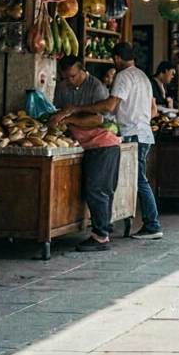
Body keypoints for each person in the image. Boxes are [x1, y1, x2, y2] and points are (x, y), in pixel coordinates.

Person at [51, 42, 162, 240]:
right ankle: (135, 224)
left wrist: (75, 109)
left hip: (132, 133)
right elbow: (153, 110)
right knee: (135, 180)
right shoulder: (143, 76)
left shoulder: (123, 76)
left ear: (116, 58)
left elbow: (109, 106)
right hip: (143, 132)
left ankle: (152, 225)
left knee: (138, 181)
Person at [55, 56, 121, 252]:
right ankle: (103, 228)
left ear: (82, 70)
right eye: (66, 77)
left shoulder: (96, 88)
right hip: (86, 144)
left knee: (97, 190)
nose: (70, 81)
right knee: (99, 190)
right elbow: (58, 111)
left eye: (73, 76)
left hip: (102, 144)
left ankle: (100, 237)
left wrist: (69, 119)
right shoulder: (62, 87)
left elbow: (98, 120)